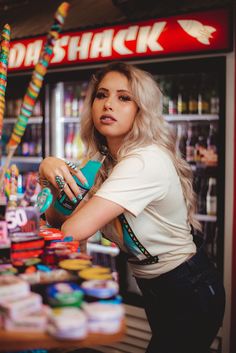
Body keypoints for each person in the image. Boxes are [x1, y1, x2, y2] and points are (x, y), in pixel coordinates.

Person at [39, 62, 225, 353]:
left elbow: (70, 231)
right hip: (158, 288)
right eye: (101, 95)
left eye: (124, 97)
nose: (108, 104)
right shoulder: (104, 162)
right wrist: (49, 169)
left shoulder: (143, 161)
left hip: (188, 288)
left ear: (141, 110)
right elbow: (55, 219)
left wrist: (61, 190)